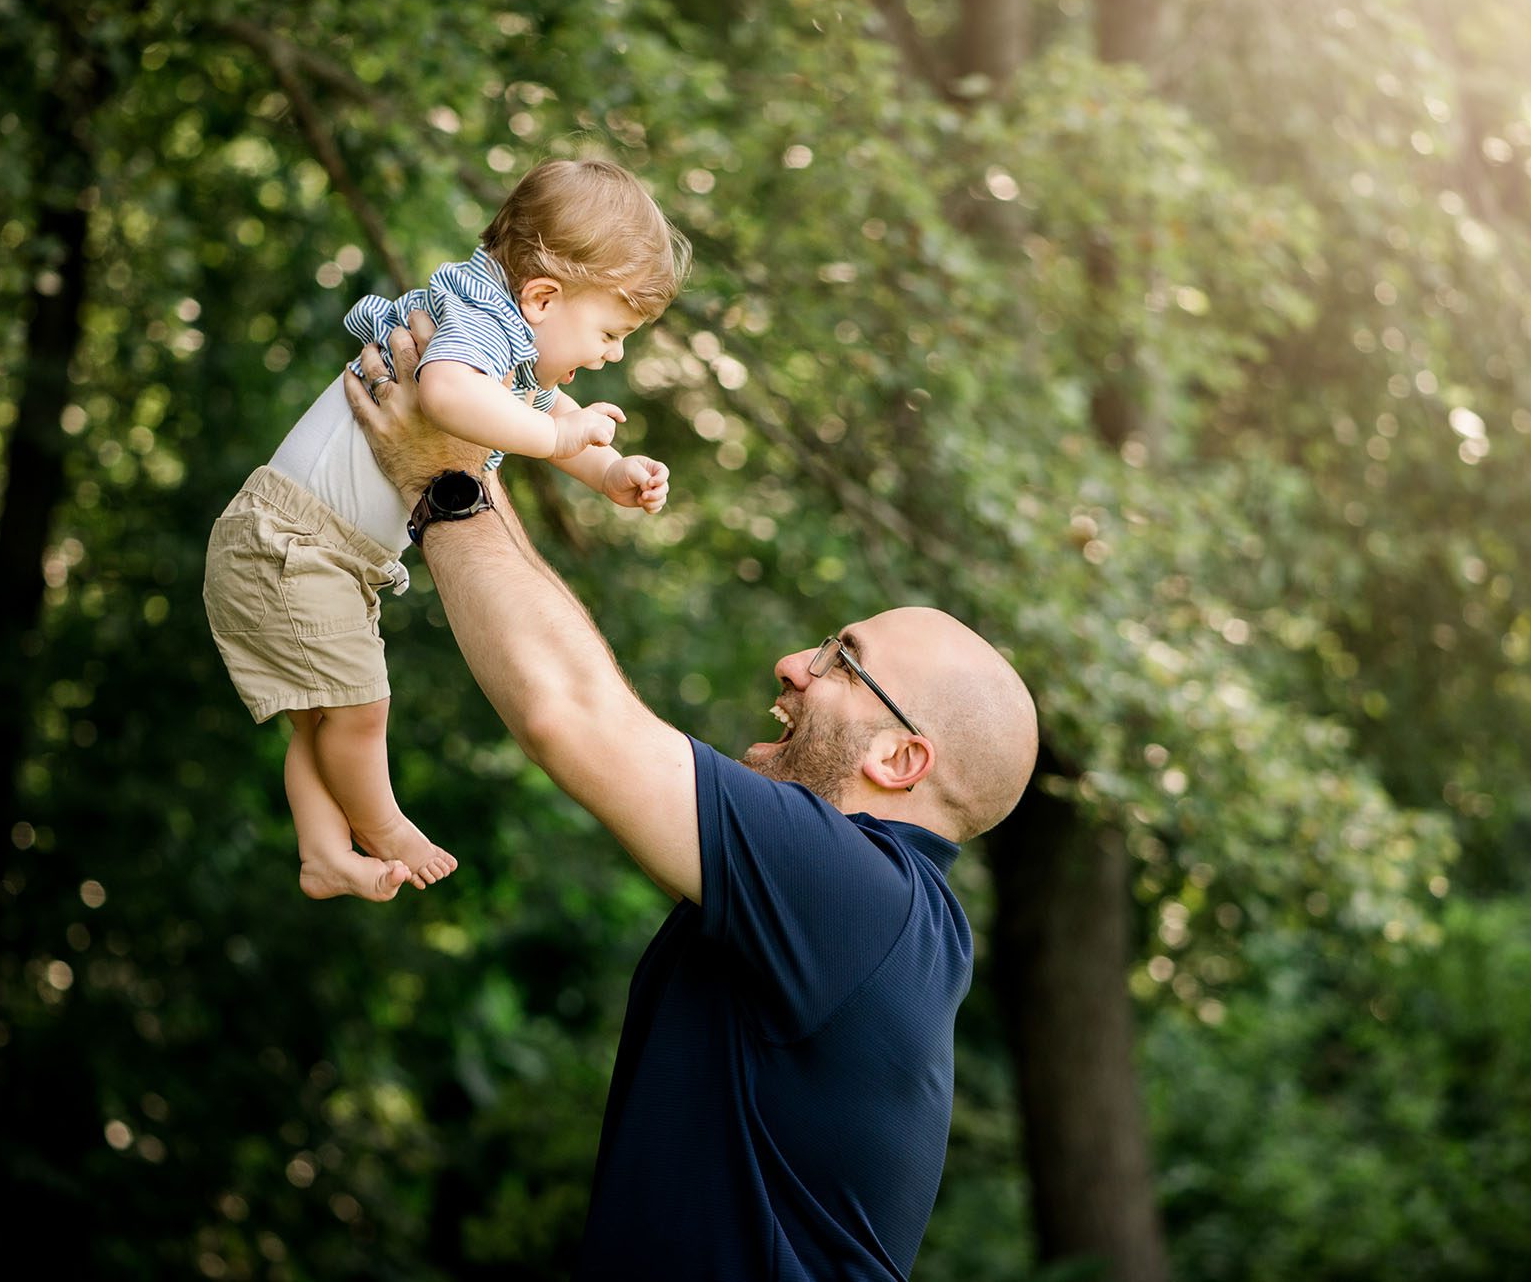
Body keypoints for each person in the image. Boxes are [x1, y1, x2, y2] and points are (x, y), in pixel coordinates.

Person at [341, 322, 1039, 1281]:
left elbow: (574, 713)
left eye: (843, 661)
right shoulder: (878, 920)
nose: (794, 663)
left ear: (901, 756)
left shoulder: (860, 894)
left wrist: (448, 476)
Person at [202, 159, 692, 902]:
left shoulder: (502, 335)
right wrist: (560, 443)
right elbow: (449, 393)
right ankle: (387, 825)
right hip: (293, 543)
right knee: (363, 710)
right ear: (544, 297)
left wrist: (609, 470)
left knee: (324, 720)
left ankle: (324, 850)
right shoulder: (473, 329)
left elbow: (549, 410)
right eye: (610, 331)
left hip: (321, 551)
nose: (613, 353)